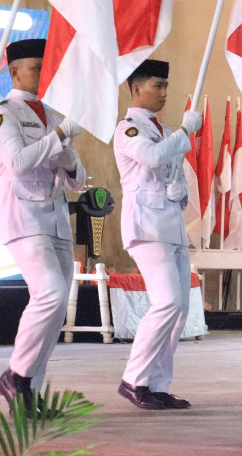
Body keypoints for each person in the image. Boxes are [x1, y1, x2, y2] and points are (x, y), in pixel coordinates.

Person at [0, 39, 86, 415]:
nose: (42, 74)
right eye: (36, 67)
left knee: (55, 311)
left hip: (56, 219)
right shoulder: (6, 113)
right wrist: (60, 137)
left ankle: (28, 393)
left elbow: (78, 178)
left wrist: (66, 154)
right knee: (49, 293)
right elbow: (17, 163)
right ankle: (16, 375)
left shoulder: (50, 115)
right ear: (14, 71)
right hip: (24, 216)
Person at [114, 59, 203, 410]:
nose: (164, 93)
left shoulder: (165, 131)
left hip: (171, 227)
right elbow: (150, 158)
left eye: (166, 86)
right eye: (157, 86)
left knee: (179, 310)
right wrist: (184, 133)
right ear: (137, 89)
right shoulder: (128, 128)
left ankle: (157, 384)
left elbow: (172, 173)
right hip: (147, 227)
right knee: (166, 302)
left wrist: (178, 190)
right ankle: (134, 380)